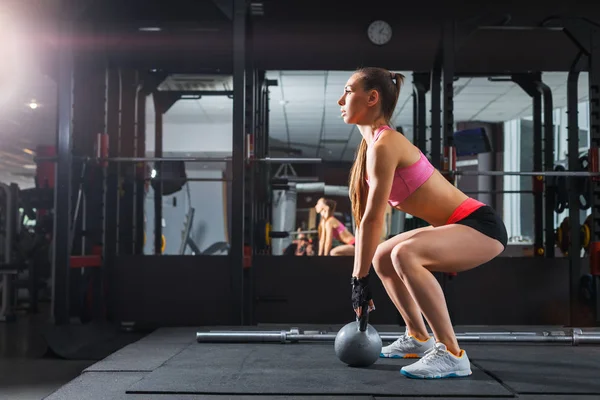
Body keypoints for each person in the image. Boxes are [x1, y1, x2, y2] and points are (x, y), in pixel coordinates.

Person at [339, 67, 507, 379]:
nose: (340, 100)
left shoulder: (386, 144)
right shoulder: (373, 147)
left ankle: (453, 353)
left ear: (372, 98)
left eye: (348, 91)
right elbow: (367, 221)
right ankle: (418, 337)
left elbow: (375, 218)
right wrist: (360, 277)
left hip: (480, 226)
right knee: (383, 257)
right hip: (457, 226)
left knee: (405, 254)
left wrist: (359, 281)